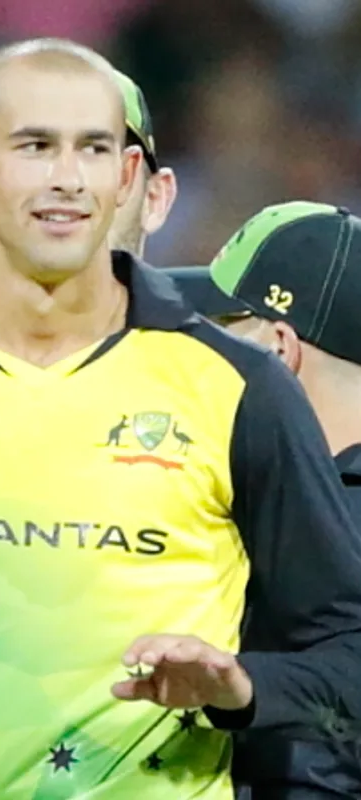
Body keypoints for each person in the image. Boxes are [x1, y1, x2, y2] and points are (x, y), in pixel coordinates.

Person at [0, 38, 361, 800]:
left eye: (93, 148)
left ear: (128, 175)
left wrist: (242, 688)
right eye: (35, 146)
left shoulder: (239, 391)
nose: (67, 177)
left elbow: (343, 653)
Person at [164, 201, 361, 799]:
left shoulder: (322, 522)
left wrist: (247, 686)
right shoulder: (256, 498)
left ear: (277, 350)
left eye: (220, 331)